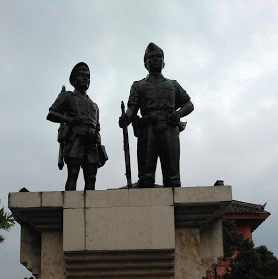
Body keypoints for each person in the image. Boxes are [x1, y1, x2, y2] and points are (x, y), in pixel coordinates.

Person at [119, 42, 194, 188]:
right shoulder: (138, 85)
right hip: (148, 129)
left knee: (173, 178)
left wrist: (179, 114)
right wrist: (126, 119)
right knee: (145, 178)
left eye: (158, 56)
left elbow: (189, 105)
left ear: (164, 62)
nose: (155, 59)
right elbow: (132, 109)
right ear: (145, 63)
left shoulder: (173, 84)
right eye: (151, 57)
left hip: (170, 128)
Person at [47, 62, 103, 190]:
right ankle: (71, 207)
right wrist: (69, 120)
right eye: (82, 75)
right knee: (73, 174)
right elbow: (51, 114)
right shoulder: (67, 96)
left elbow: (97, 126)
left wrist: (98, 140)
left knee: (91, 177)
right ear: (74, 79)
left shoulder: (94, 105)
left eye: (88, 76)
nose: (85, 79)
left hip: (91, 142)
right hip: (75, 139)